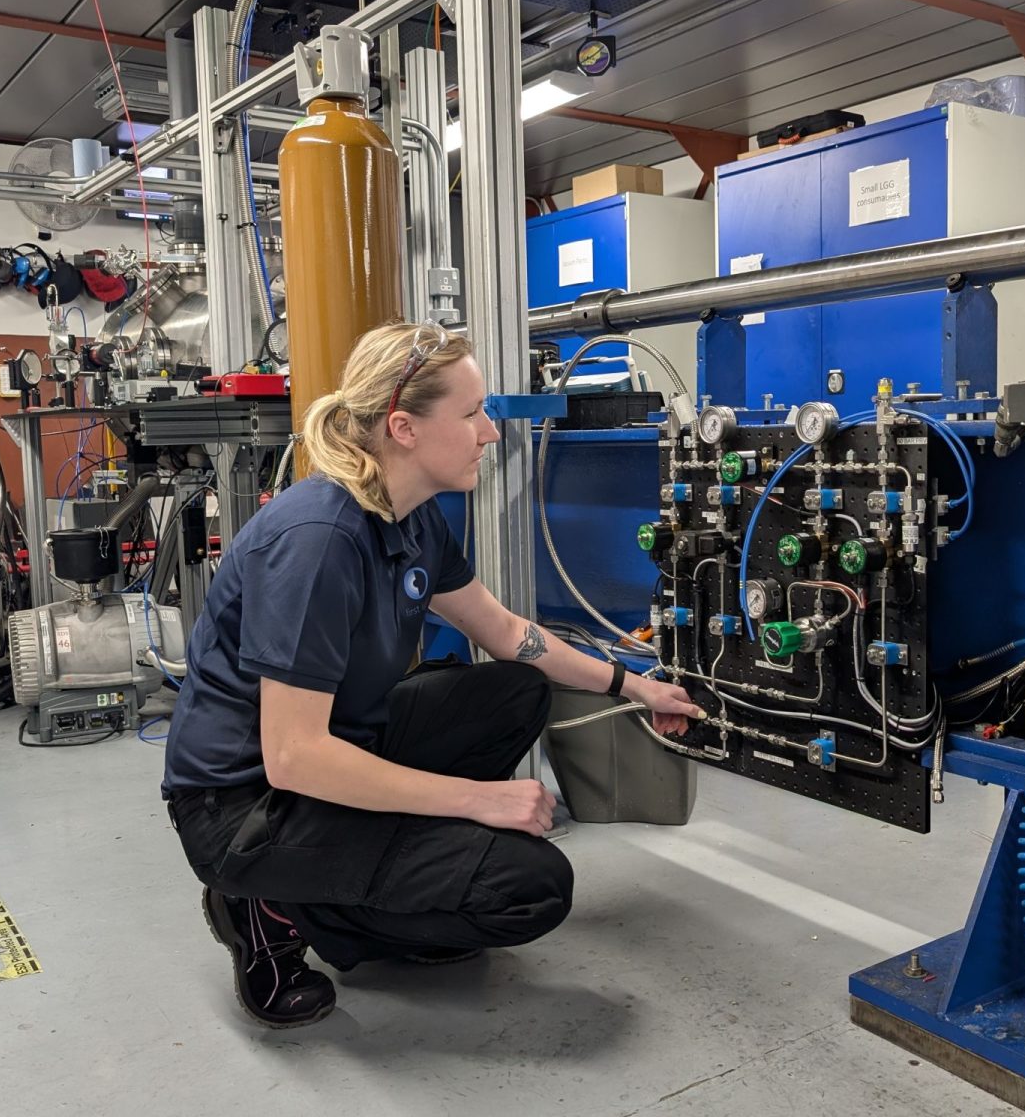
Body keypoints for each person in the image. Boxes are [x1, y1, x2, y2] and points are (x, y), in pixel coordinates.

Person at [161, 321, 698, 1029]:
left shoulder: (411, 516)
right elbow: (293, 758)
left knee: (517, 690)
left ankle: (362, 888)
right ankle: (275, 907)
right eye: (472, 413)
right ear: (404, 428)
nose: (490, 433)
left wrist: (635, 685)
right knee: (530, 887)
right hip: (242, 804)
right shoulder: (319, 542)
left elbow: (508, 634)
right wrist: (476, 800)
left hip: (333, 749)